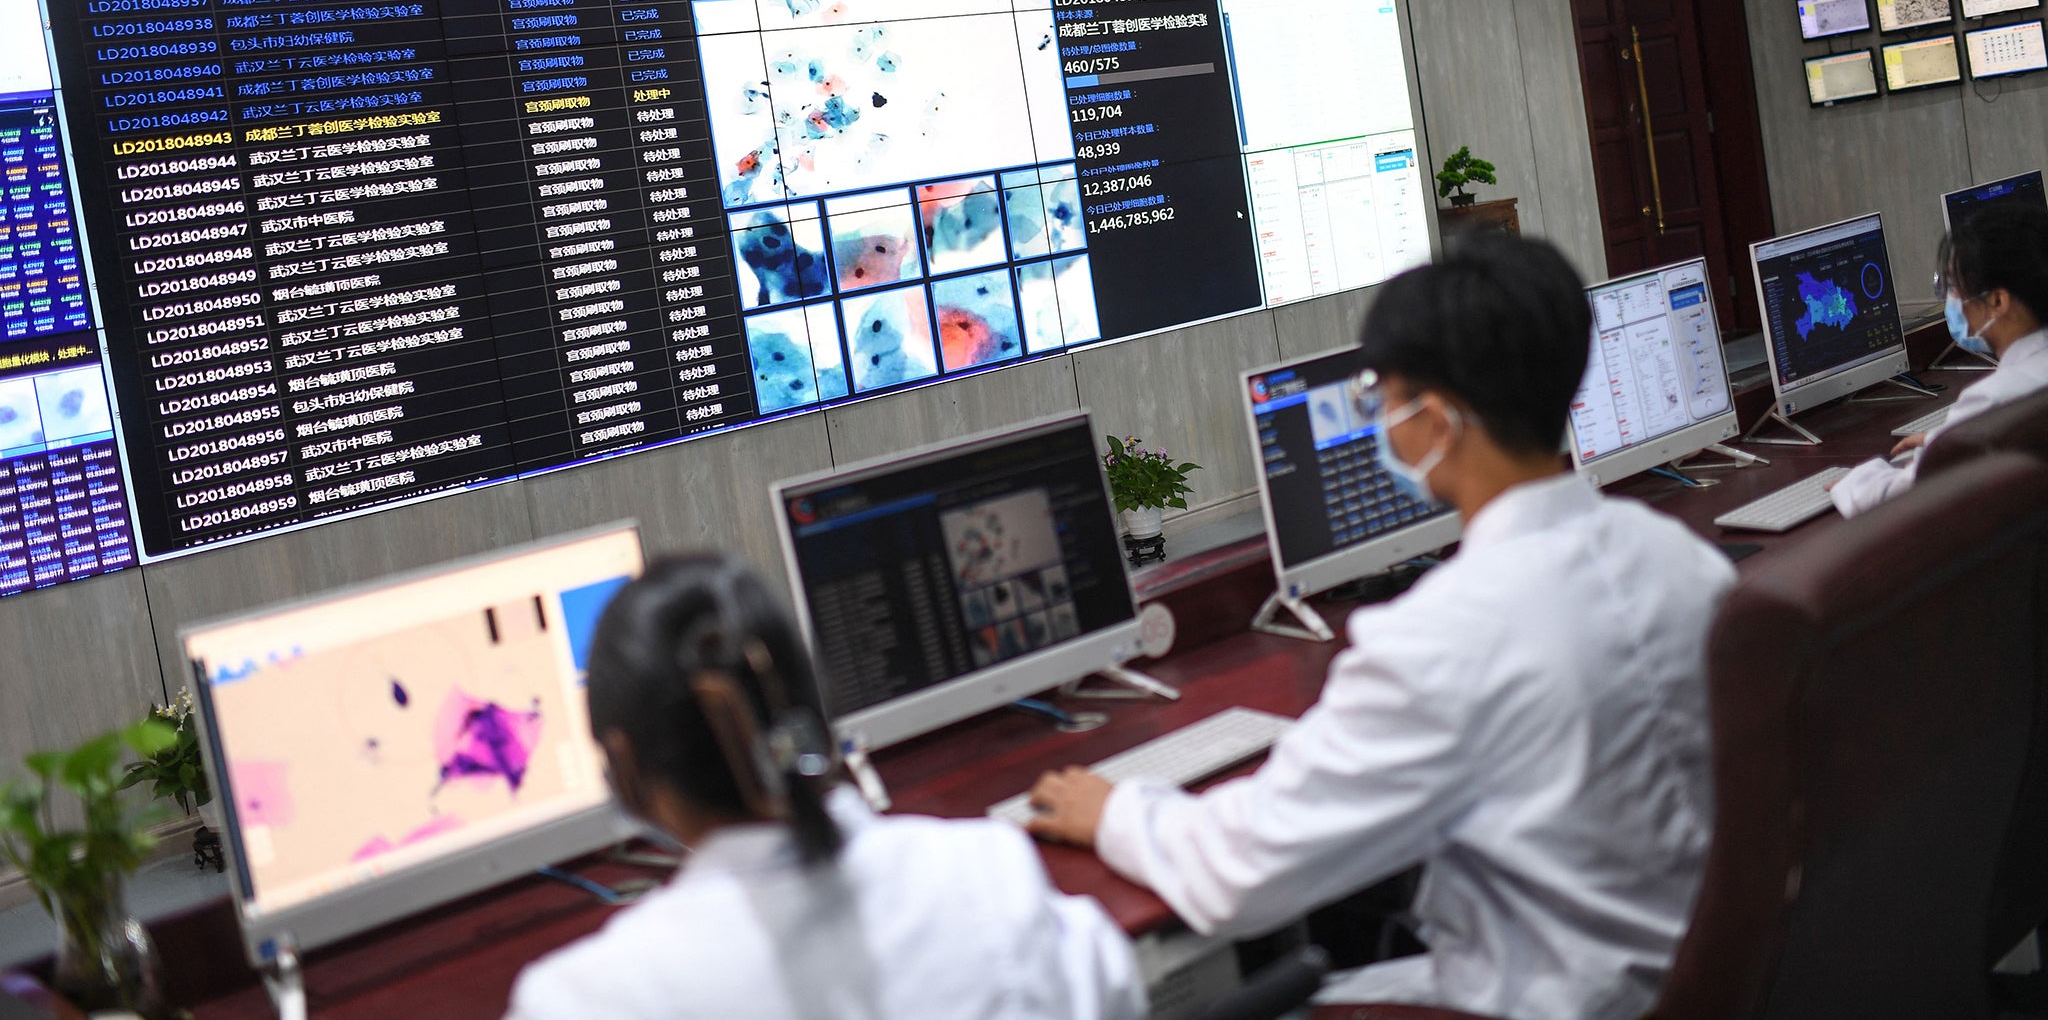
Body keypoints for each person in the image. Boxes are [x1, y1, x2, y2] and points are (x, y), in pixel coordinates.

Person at [1027, 235, 1735, 1020]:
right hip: (1706, 973)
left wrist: (1116, 810)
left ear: (1434, 422)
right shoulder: (1685, 563)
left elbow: (1244, 872)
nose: (1382, 424)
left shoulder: (1444, 635)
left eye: (1382, 401)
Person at [505, 553, 1145, 1020]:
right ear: (814, 703)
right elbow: (1116, 990)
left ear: (624, 764)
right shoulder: (989, 871)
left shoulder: (586, 998)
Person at [1832, 199, 2048, 517]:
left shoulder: (1991, 400)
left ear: (1998, 300)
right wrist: (1944, 443)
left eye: (1956, 286)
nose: (1954, 301)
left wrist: (1853, 482)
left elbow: (1903, 496)